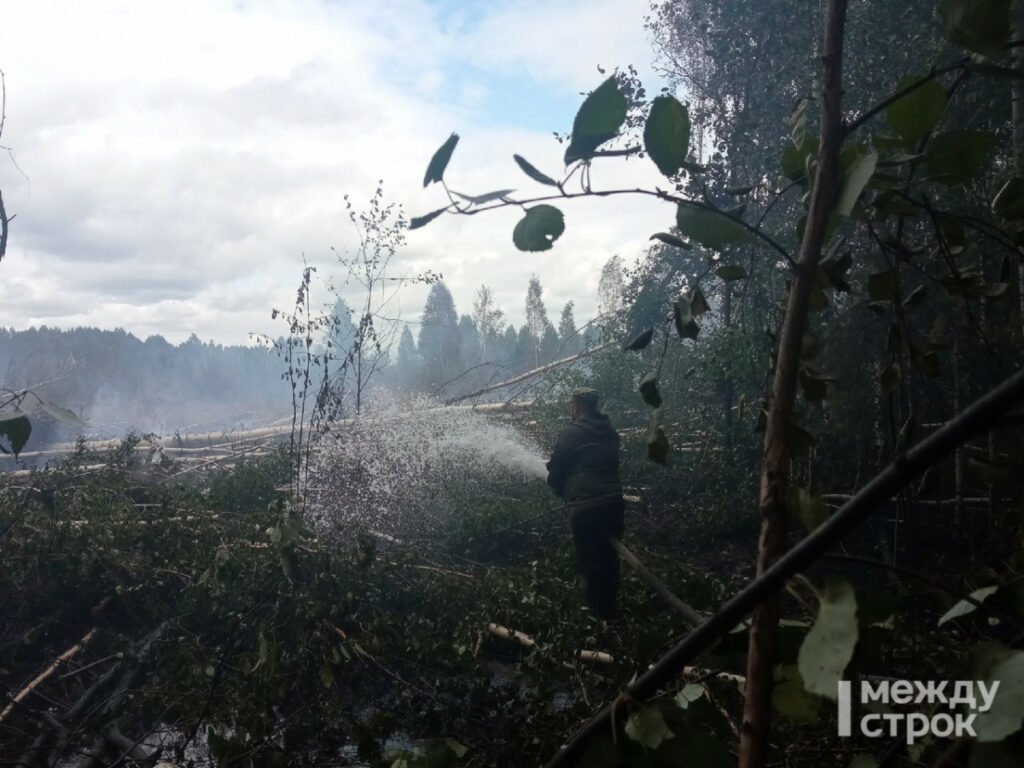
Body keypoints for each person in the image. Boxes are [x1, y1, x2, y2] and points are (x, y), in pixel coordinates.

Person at [546, 387, 625, 621]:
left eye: (573, 405)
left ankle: (596, 617)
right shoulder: (610, 431)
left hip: (586, 510)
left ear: (578, 406)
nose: (571, 409)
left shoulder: (571, 433)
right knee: (609, 560)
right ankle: (609, 610)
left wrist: (559, 489)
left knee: (591, 560)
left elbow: (557, 469)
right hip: (613, 506)